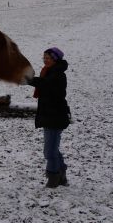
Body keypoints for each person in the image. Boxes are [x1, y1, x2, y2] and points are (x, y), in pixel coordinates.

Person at [27, 47, 71, 188]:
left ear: (55, 59)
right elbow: (43, 83)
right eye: (44, 57)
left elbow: (45, 84)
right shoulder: (49, 72)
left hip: (55, 117)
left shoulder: (57, 74)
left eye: (48, 58)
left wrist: (28, 79)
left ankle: (53, 178)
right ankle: (62, 173)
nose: (45, 60)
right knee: (53, 149)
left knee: (49, 151)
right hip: (49, 115)